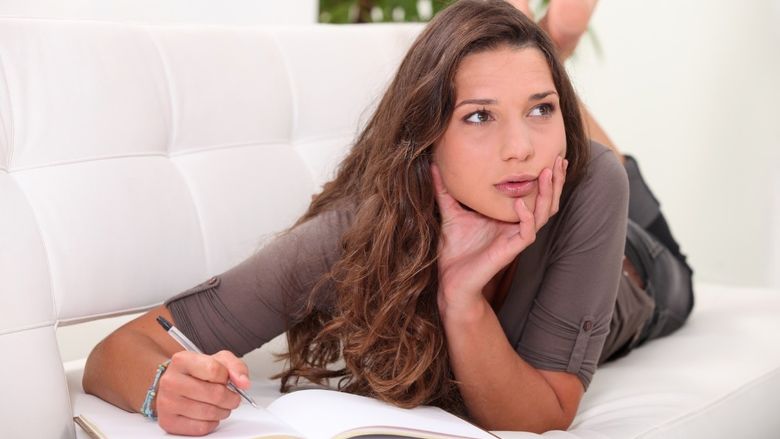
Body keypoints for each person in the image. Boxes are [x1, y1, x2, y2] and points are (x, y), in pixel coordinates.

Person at [82, 0, 694, 435]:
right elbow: (118, 352)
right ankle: (543, 58)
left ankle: (548, 55)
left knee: (608, 175)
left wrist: (463, 302)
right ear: (426, 137)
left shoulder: (587, 180)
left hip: (640, 272)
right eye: (478, 116)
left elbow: (546, 412)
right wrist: (164, 384)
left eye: (542, 110)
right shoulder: (358, 230)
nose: (521, 150)